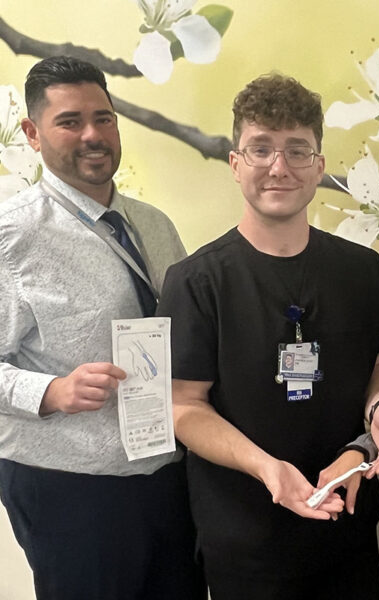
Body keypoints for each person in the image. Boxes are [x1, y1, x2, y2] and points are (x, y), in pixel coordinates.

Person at [156, 73, 379, 599]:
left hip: (347, 529)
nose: (279, 167)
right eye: (261, 149)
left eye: (297, 150)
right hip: (246, 542)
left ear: (318, 166)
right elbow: (183, 408)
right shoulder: (196, 281)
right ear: (235, 163)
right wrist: (269, 470)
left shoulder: (362, 271)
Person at [0, 56, 205, 599]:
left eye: (104, 118)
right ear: (32, 133)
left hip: (168, 473)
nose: (92, 135)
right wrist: (52, 390)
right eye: (70, 121)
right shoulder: (11, 235)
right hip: (71, 488)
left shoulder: (155, 224)